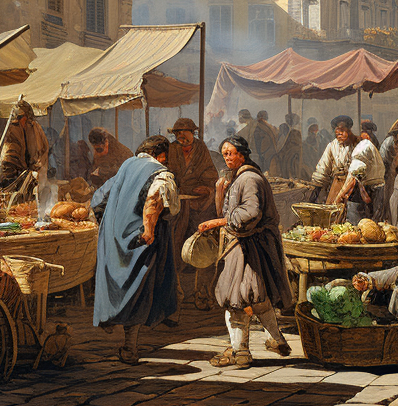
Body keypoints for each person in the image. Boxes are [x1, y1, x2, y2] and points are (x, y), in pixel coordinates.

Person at [197, 136, 293, 369]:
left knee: (235, 299)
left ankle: (241, 353)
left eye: (231, 153)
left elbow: (250, 213)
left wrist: (219, 222)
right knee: (255, 295)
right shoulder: (239, 178)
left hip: (248, 247)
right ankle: (276, 339)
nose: (227, 157)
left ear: (243, 154)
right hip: (247, 245)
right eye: (224, 153)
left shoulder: (248, 178)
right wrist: (220, 194)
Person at [92, 135, 179, 364]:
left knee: (115, 282)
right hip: (143, 239)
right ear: (160, 155)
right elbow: (154, 200)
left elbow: (98, 199)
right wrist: (148, 230)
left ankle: (109, 319)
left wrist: (109, 224)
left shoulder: (126, 166)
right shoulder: (160, 173)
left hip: (114, 237)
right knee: (140, 290)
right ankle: (129, 347)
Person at [166, 118, 220, 308]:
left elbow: (211, 173)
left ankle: (202, 294)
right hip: (178, 206)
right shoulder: (171, 149)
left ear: (192, 133)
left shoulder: (201, 148)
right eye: (178, 133)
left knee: (203, 248)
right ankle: (176, 295)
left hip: (200, 207)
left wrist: (206, 188)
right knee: (175, 249)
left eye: (185, 132)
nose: (181, 136)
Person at [332, 119, 386, 224]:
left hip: (370, 192)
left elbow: (353, 176)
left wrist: (337, 199)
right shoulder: (361, 146)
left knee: (364, 225)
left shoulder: (363, 146)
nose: (340, 138)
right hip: (373, 190)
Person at [0, 99, 49, 194]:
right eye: (23, 118)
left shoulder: (31, 128)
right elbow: (10, 159)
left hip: (17, 175)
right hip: (8, 177)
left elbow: (41, 149)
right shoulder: (13, 131)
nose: (26, 121)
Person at [307, 116, 356, 205]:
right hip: (337, 185)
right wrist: (316, 190)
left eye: (343, 129)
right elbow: (323, 167)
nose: (340, 132)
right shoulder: (332, 146)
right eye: (338, 130)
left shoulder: (355, 145)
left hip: (353, 187)